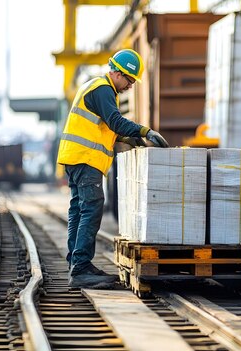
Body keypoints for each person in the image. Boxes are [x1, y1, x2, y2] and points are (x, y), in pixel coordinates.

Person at [56, 49, 169, 289]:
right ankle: (81, 268)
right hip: (86, 160)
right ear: (118, 73)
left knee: (78, 209)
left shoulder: (98, 88)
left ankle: (77, 263)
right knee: (92, 208)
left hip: (75, 158)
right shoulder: (103, 89)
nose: (130, 85)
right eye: (129, 79)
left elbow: (106, 127)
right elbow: (115, 121)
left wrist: (127, 139)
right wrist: (144, 131)